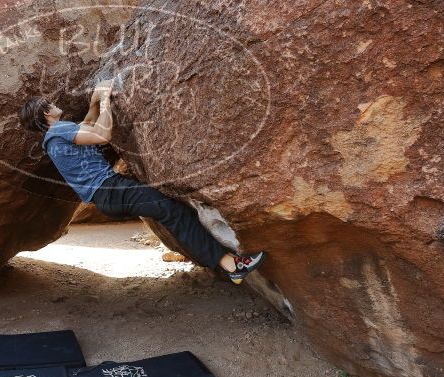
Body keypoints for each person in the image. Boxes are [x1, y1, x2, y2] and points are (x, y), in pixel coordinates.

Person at [19, 82, 266, 284]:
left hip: (108, 196)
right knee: (174, 211)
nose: (54, 103)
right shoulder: (59, 131)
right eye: (49, 104)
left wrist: (95, 102)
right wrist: (105, 101)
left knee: (170, 211)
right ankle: (231, 265)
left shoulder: (53, 139)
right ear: (45, 113)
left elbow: (86, 126)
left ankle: (225, 263)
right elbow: (102, 134)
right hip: (112, 190)